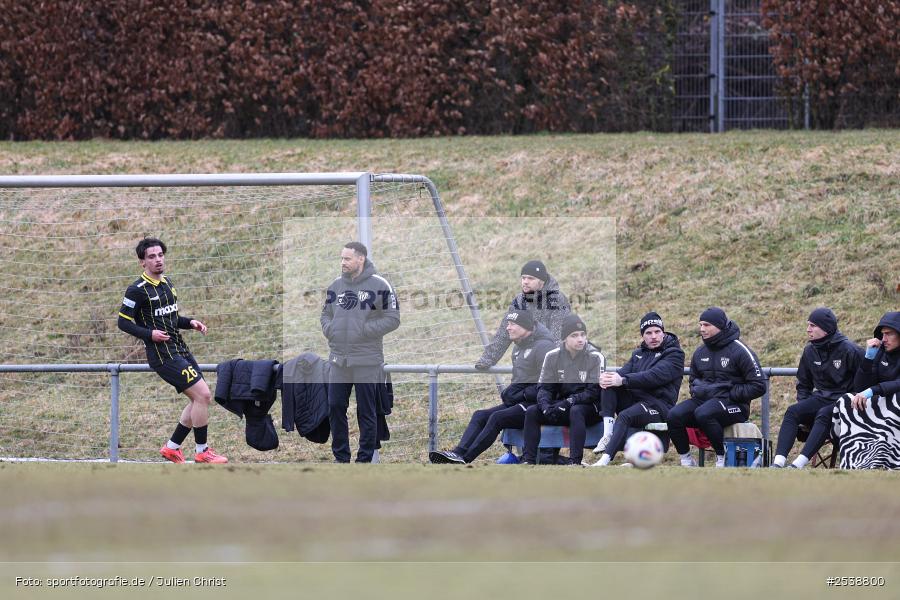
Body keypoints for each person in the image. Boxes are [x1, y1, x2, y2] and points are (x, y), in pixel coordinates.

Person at [117, 237, 227, 464]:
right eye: (151, 257)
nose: (157, 260)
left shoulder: (168, 284)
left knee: (199, 399)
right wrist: (150, 335)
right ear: (142, 262)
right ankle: (202, 451)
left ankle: (172, 447)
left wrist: (190, 323)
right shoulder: (136, 290)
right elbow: (123, 322)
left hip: (180, 349)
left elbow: (172, 318)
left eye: (160, 255)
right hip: (162, 355)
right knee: (203, 395)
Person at [429, 310, 556, 464]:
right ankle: (457, 453)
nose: (508, 328)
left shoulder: (544, 347)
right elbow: (524, 379)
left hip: (536, 405)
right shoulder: (519, 347)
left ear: (526, 327)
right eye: (508, 324)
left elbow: (550, 384)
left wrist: (521, 395)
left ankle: (465, 459)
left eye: (512, 324)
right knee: (480, 415)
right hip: (520, 401)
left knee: (497, 418)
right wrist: (511, 392)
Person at [321, 242, 400, 463]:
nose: (342, 263)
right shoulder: (335, 286)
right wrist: (331, 330)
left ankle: (364, 461)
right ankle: (341, 459)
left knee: (367, 412)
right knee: (335, 407)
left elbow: (393, 319)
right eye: (341, 258)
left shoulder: (380, 284)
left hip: (367, 360)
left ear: (360, 259)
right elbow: (325, 315)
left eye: (347, 259)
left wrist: (364, 331)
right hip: (338, 360)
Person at [666, 307, 766, 467]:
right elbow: (693, 379)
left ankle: (722, 457)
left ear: (719, 326)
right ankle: (686, 459)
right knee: (673, 415)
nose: (701, 329)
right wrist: (697, 390)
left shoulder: (740, 350)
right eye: (700, 325)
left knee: (704, 414)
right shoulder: (700, 352)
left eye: (706, 325)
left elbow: (759, 385)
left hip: (734, 405)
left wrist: (732, 394)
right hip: (704, 402)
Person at [771, 308, 862, 468]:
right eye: (808, 325)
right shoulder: (810, 351)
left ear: (826, 328)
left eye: (813, 325)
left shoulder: (850, 350)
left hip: (844, 402)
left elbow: (863, 384)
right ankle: (778, 463)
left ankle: (798, 464)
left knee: (824, 414)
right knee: (793, 411)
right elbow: (803, 384)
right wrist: (804, 406)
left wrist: (852, 401)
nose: (808, 329)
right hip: (820, 398)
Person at [591, 312, 685, 467]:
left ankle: (604, 460)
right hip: (637, 401)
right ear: (643, 336)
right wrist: (606, 378)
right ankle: (607, 434)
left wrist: (623, 380)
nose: (653, 336)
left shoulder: (675, 354)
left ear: (663, 332)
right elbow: (621, 374)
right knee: (609, 384)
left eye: (657, 332)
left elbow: (654, 376)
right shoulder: (638, 354)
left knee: (625, 415)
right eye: (648, 333)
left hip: (659, 406)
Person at [521, 314, 604, 465]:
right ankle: (528, 461)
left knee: (576, 410)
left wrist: (569, 402)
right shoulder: (552, 356)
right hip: (561, 406)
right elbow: (545, 388)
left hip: (589, 409)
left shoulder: (595, 356)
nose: (580, 339)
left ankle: (575, 462)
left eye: (583, 335)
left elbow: (594, 392)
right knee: (533, 411)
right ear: (565, 338)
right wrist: (545, 406)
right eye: (574, 335)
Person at [474, 260, 571, 370]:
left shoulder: (557, 300)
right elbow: (504, 332)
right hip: (523, 359)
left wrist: (553, 364)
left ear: (542, 281)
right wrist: (487, 359)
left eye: (530, 278)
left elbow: (559, 335)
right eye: (523, 278)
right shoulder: (519, 300)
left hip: (548, 361)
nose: (525, 282)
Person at [849, 311, 900, 412]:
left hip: (895, 407)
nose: (884, 339)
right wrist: (868, 359)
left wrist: (873, 390)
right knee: (830, 410)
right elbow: (860, 388)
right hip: (880, 405)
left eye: (888, 334)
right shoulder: (880, 352)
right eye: (882, 334)